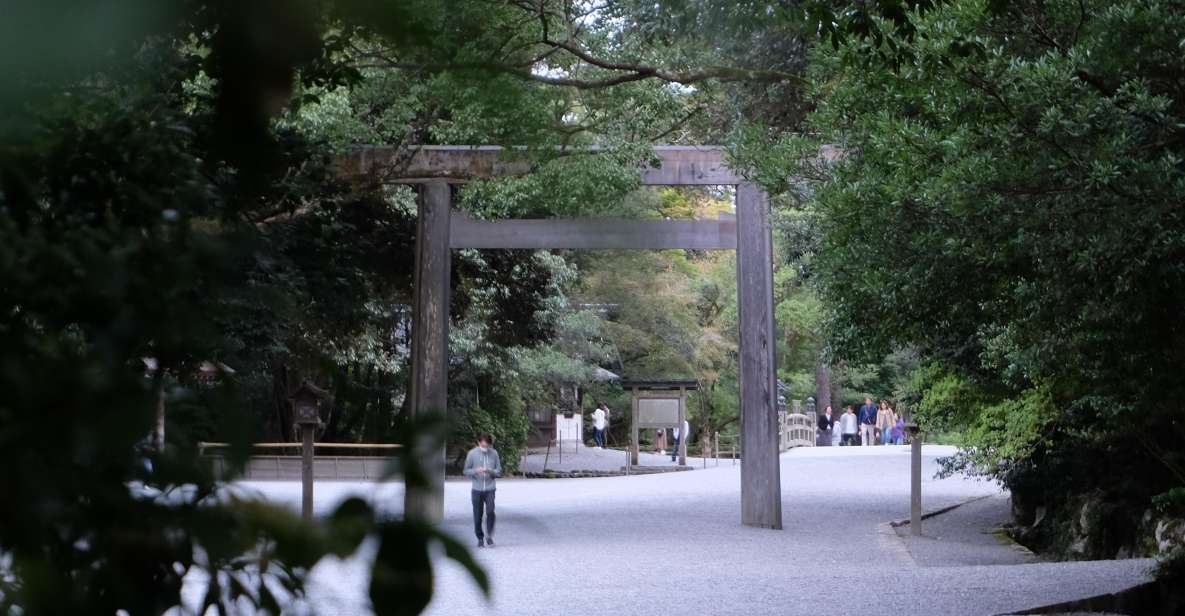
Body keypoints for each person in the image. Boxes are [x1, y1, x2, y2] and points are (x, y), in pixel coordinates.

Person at [463, 433, 502, 548]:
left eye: (487, 446)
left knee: (490, 511)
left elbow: (499, 471)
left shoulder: (494, 453)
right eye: (483, 445)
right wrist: (475, 471)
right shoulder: (472, 454)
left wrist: (489, 470)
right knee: (477, 514)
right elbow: (465, 471)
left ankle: (489, 536)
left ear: (490, 444)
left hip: (490, 488)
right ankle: (480, 537)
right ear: (479, 443)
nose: (485, 447)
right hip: (477, 489)